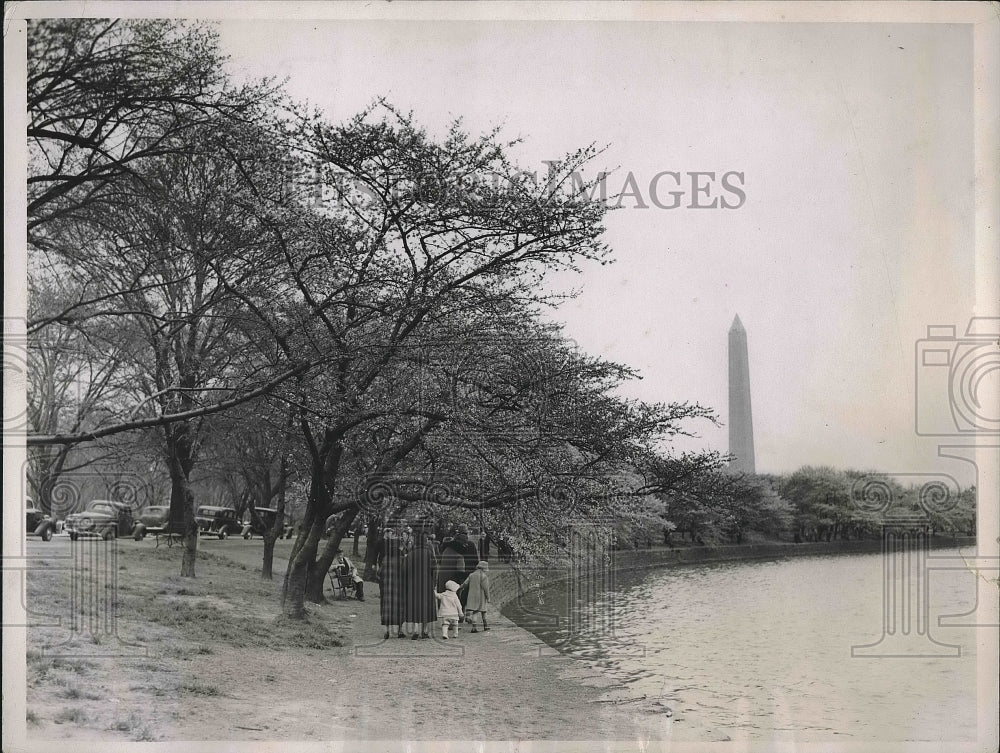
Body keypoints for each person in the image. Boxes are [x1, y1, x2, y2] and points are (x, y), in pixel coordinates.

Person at [402, 529, 438, 639]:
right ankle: (425, 631)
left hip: (413, 584)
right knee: (426, 606)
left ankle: (416, 630)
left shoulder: (410, 555)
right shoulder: (429, 554)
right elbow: (434, 569)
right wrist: (434, 582)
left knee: (415, 606)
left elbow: (405, 570)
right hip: (427, 583)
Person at [377, 528, 406, 639]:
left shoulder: (385, 559)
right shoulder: (402, 559)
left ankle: (387, 631)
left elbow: (379, 573)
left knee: (387, 608)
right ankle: (399, 631)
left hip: (387, 589)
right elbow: (405, 573)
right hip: (399, 588)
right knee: (399, 608)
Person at [460, 560, 491, 632]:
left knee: (475, 611)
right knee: (483, 611)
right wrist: (488, 597)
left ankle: (474, 627)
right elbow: (486, 588)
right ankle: (485, 625)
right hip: (481, 597)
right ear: (484, 569)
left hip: (472, 596)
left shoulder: (471, 575)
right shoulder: (484, 576)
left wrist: (460, 587)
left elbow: (465, 583)